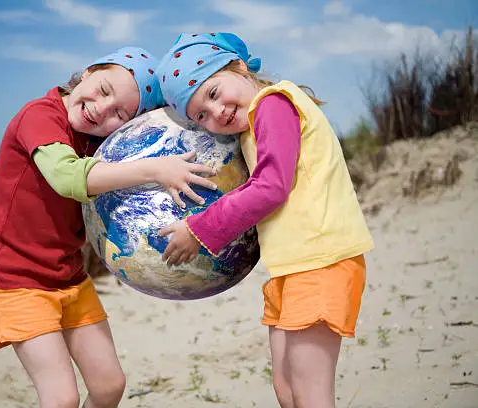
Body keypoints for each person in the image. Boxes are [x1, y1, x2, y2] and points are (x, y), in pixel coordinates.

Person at [0, 46, 218, 408]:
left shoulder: (98, 143)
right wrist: (156, 169)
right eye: (104, 90)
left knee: (108, 386)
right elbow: (67, 177)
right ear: (87, 72)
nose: (101, 109)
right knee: (60, 398)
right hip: (16, 280)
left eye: (119, 113)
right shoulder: (39, 116)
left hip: (69, 277)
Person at [155, 33, 374, 408]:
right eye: (201, 116)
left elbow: (271, 187)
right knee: (287, 390)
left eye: (212, 93)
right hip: (294, 267)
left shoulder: (273, 104)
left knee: (310, 393)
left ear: (239, 67)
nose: (216, 112)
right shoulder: (253, 125)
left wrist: (199, 228)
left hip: (322, 261)